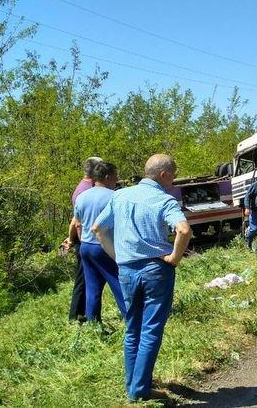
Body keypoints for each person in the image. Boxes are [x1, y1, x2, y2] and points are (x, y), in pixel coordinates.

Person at [92, 154, 191, 402]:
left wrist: (116, 255)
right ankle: (140, 389)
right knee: (151, 330)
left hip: (126, 270)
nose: (175, 179)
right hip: (156, 269)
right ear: (164, 175)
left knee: (132, 329)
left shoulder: (121, 195)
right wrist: (174, 259)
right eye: (174, 174)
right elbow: (184, 230)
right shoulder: (164, 199)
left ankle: (134, 386)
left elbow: (97, 229)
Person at [70, 161, 126, 321]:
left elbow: (77, 224)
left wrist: (83, 241)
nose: (117, 179)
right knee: (119, 282)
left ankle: (93, 324)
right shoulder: (114, 196)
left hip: (86, 247)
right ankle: (132, 319)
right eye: (115, 176)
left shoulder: (81, 197)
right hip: (104, 247)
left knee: (92, 287)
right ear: (108, 177)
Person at [62, 156, 103, 322]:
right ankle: (75, 316)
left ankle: (84, 314)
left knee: (87, 279)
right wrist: (78, 240)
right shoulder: (85, 190)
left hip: (85, 239)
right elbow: (76, 222)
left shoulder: (87, 186)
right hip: (85, 240)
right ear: (94, 170)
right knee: (83, 279)